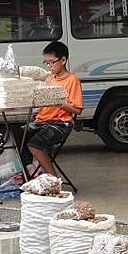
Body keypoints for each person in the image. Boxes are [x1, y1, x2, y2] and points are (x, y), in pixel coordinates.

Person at [22, 41, 83, 176]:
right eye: (46, 63)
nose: (49, 66)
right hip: (42, 121)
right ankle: (30, 173)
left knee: (34, 144)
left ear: (63, 60)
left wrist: (59, 103)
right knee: (16, 137)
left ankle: (53, 178)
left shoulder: (72, 80)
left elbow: (78, 109)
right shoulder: (49, 79)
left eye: (52, 62)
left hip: (60, 123)